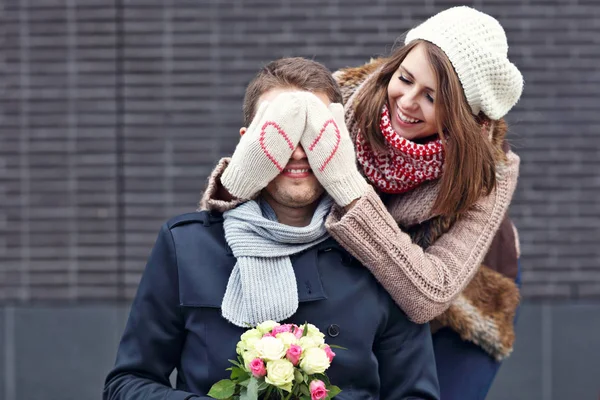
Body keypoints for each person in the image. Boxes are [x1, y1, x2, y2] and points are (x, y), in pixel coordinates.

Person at [199, 6, 524, 399]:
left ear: (463, 115)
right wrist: (239, 174)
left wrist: (347, 185)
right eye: (405, 78)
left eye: (431, 97)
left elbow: (430, 297)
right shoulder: (339, 104)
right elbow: (257, 192)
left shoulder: (490, 169)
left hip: (458, 303)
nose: (406, 101)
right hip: (362, 291)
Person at [103, 59, 440, 400]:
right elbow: (127, 384)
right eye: (279, 131)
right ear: (247, 142)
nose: (296, 150)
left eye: (314, 132)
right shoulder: (187, 246)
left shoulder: (383, 258)